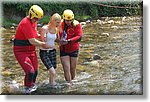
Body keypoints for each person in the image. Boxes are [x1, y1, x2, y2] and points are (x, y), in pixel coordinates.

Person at [13, 5, 50, 94]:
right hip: (21, 51)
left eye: (38, 19)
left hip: (31, 50)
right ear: (31, 15)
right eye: (36, 19)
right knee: (30, 72)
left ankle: (31, 86)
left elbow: (33, 34)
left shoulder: (34, 22)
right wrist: (43, 44)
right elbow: (32, 41)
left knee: (35, 71)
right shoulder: (25, 23)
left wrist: (42, 36)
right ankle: (27, 90)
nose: (37, 21)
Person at [58, 9, 83, 86]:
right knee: (66, 68)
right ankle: (69, 84)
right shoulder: (60, 24)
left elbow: (79, 37)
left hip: (74, 49)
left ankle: (72, 80)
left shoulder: (76, 24)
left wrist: (69, 41)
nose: (68, 22)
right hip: (63, 49)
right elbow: (53, 30)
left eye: (70, 20)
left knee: (72, 68)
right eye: (67, 20)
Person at [39, 13, 61, 87]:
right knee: (52, 71)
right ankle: (52, 85)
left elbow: (56, 40)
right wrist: (53, 46)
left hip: (52, 52)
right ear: (52, 21)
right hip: (44, 52)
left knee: (54, 70)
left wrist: (62, 41)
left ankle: (51, 84)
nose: (59, 24)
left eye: (59, 22)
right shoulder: (44, 29)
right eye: (57, 22)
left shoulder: (56, 29)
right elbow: (43, 43)